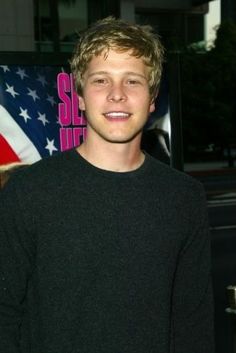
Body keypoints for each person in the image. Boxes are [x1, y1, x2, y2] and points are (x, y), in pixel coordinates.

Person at [0, 17, 214, 353]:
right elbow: (5, 314)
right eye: (101, 80)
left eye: (132, 81)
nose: (117, 95)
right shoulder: (29, 191)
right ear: (80, 97)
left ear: (153, 98)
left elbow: (193, 323)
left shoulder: (184, 197)